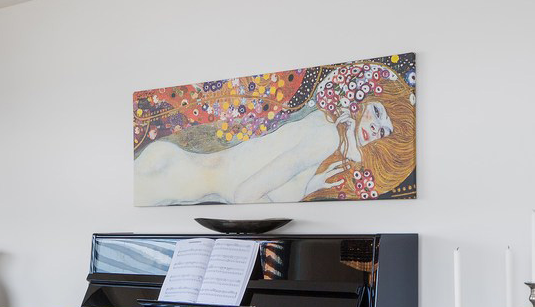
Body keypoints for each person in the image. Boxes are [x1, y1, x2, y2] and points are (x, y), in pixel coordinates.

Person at [133, 59, 415, 205]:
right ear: (363, 97)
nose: (375, 129)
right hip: (173, 177)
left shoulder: (324, 124)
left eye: (384, 131)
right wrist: (306, 189)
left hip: (174, 167)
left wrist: (311, 186)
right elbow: (244, 195)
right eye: (377, 112)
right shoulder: (326, 137)